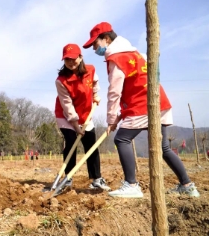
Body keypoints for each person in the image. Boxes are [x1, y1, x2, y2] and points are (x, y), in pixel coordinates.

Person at [83, 22, 199, 198]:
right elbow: (136, 84)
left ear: (106, 39)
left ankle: (131, 185)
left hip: (143, 105)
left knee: (122, 139)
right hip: (158, 100)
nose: (93, 48)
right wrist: (120, 114)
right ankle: (188, 186)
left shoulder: (116, 58)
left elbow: (114, 92)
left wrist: (111, 119)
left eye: (95, 44)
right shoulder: (135, 54)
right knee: (163, 147)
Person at [55, 44, 111, 191]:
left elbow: (94, 83)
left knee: (91, 145)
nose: (71, 62)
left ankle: (96, 179)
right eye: (67, 59)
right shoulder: (61, 80)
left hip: (86, 113)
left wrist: (95, 95)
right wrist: (75, 125)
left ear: (80, 57)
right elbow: (66, 104)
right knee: (72, 141)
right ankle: (67, 178)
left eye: (74, 58)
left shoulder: (90, 70)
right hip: (66, 115)